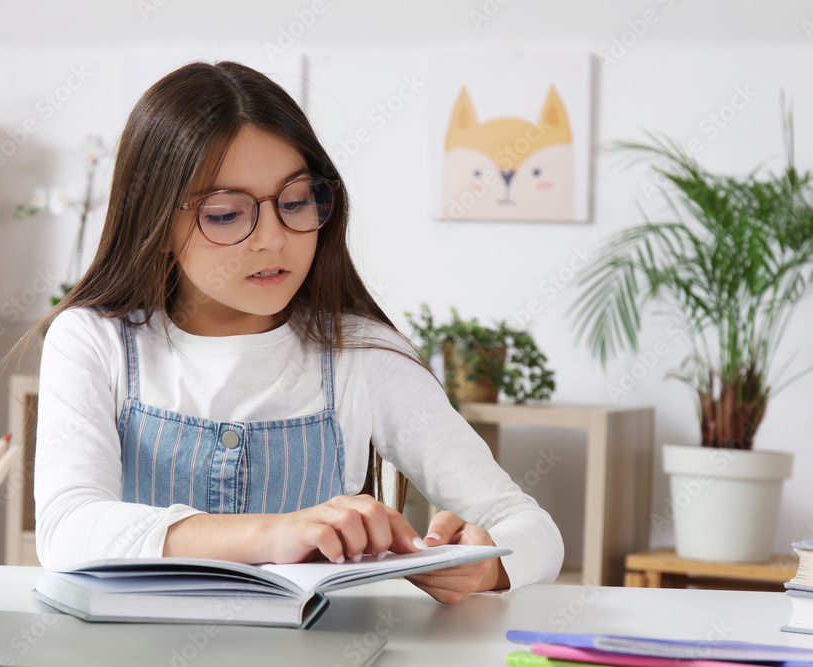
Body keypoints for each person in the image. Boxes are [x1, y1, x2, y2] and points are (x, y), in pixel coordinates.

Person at [27, 61, 563, 604]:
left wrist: (483, 566)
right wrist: (277, 533)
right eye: (226, 214)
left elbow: (531, 530)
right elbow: (67, 530)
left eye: (295, 202)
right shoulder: (93, 341)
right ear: (156, 225)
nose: (272, 240)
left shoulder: (366, 356)